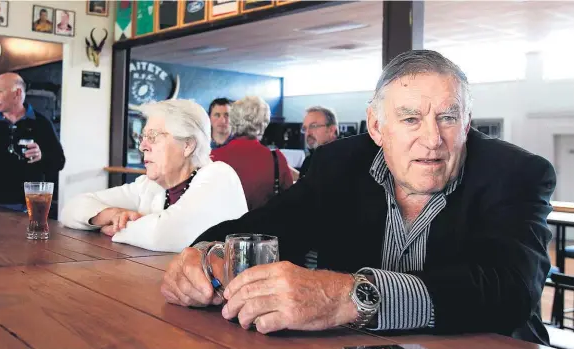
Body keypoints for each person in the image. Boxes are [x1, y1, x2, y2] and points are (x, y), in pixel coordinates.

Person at [160, 50, 556, 346]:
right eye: (411, 118)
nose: (433, 139)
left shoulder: (517, 173)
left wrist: (349, 298)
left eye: (448, 118)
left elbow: (511, 291)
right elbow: (273, 223)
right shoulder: (339, 163)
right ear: (377, 126)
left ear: (466, 124)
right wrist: (206, 253)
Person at [60, 99, 247, 253]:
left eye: (153, 136)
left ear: (188, 145)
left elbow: (162, 234)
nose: (142, 146)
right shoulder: (151, 186)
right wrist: (110, 215)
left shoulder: (219, 176)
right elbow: (71, 209)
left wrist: (117, 227)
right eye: (143, 137)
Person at [0, 73, 65, 211]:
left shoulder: (41, 124)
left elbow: (59, 161)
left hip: (29, 209)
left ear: (17, 93)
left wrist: (42, 156)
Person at [211, 96, 294, 211]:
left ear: (232, 120)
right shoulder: (276, 158)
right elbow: (291, 200)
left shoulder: (214, 157)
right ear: (264, 123)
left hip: (225, 227)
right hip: (264, 226)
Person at [299, 106, 338, 177]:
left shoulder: (348, 160)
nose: (308, 133)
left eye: (313, 126)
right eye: (305, 128)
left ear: (331, 130)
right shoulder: (308, 161)